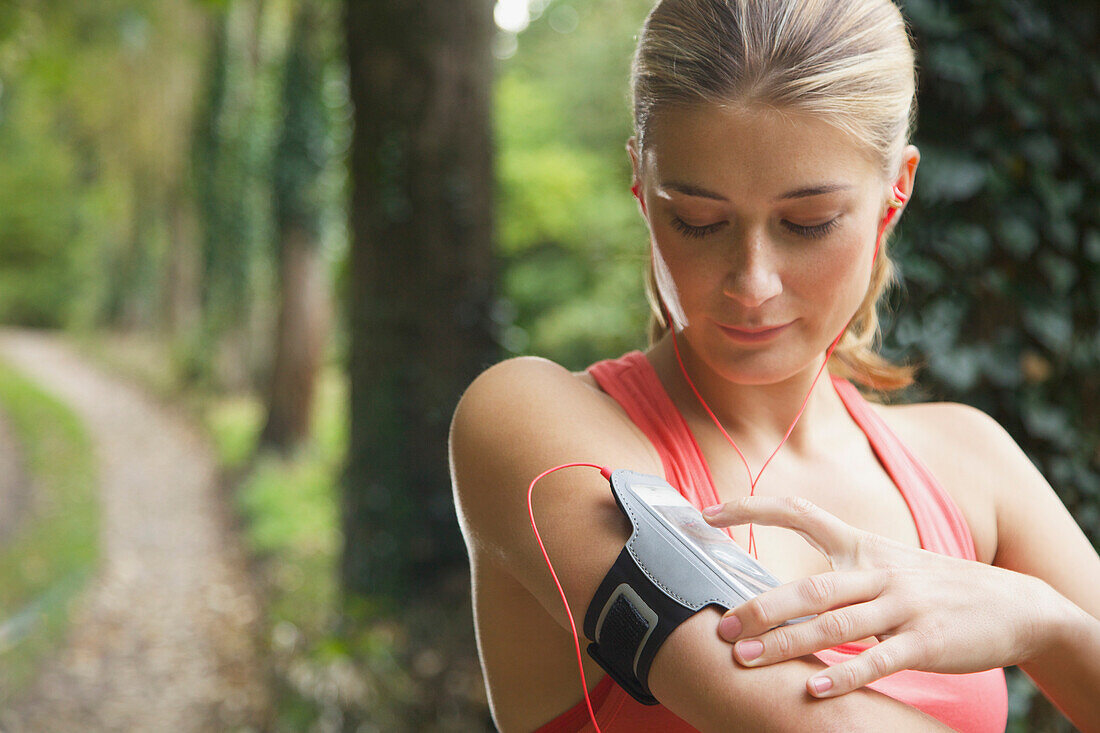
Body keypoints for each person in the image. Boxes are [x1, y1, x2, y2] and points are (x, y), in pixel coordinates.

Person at [448, 0, 1100, 730]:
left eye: (808, 223)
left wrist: (1049, 622)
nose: (752, 283)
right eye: (697, 220)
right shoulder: (533, 422)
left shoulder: (970, 463)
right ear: (640, 181)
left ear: (896, 191)